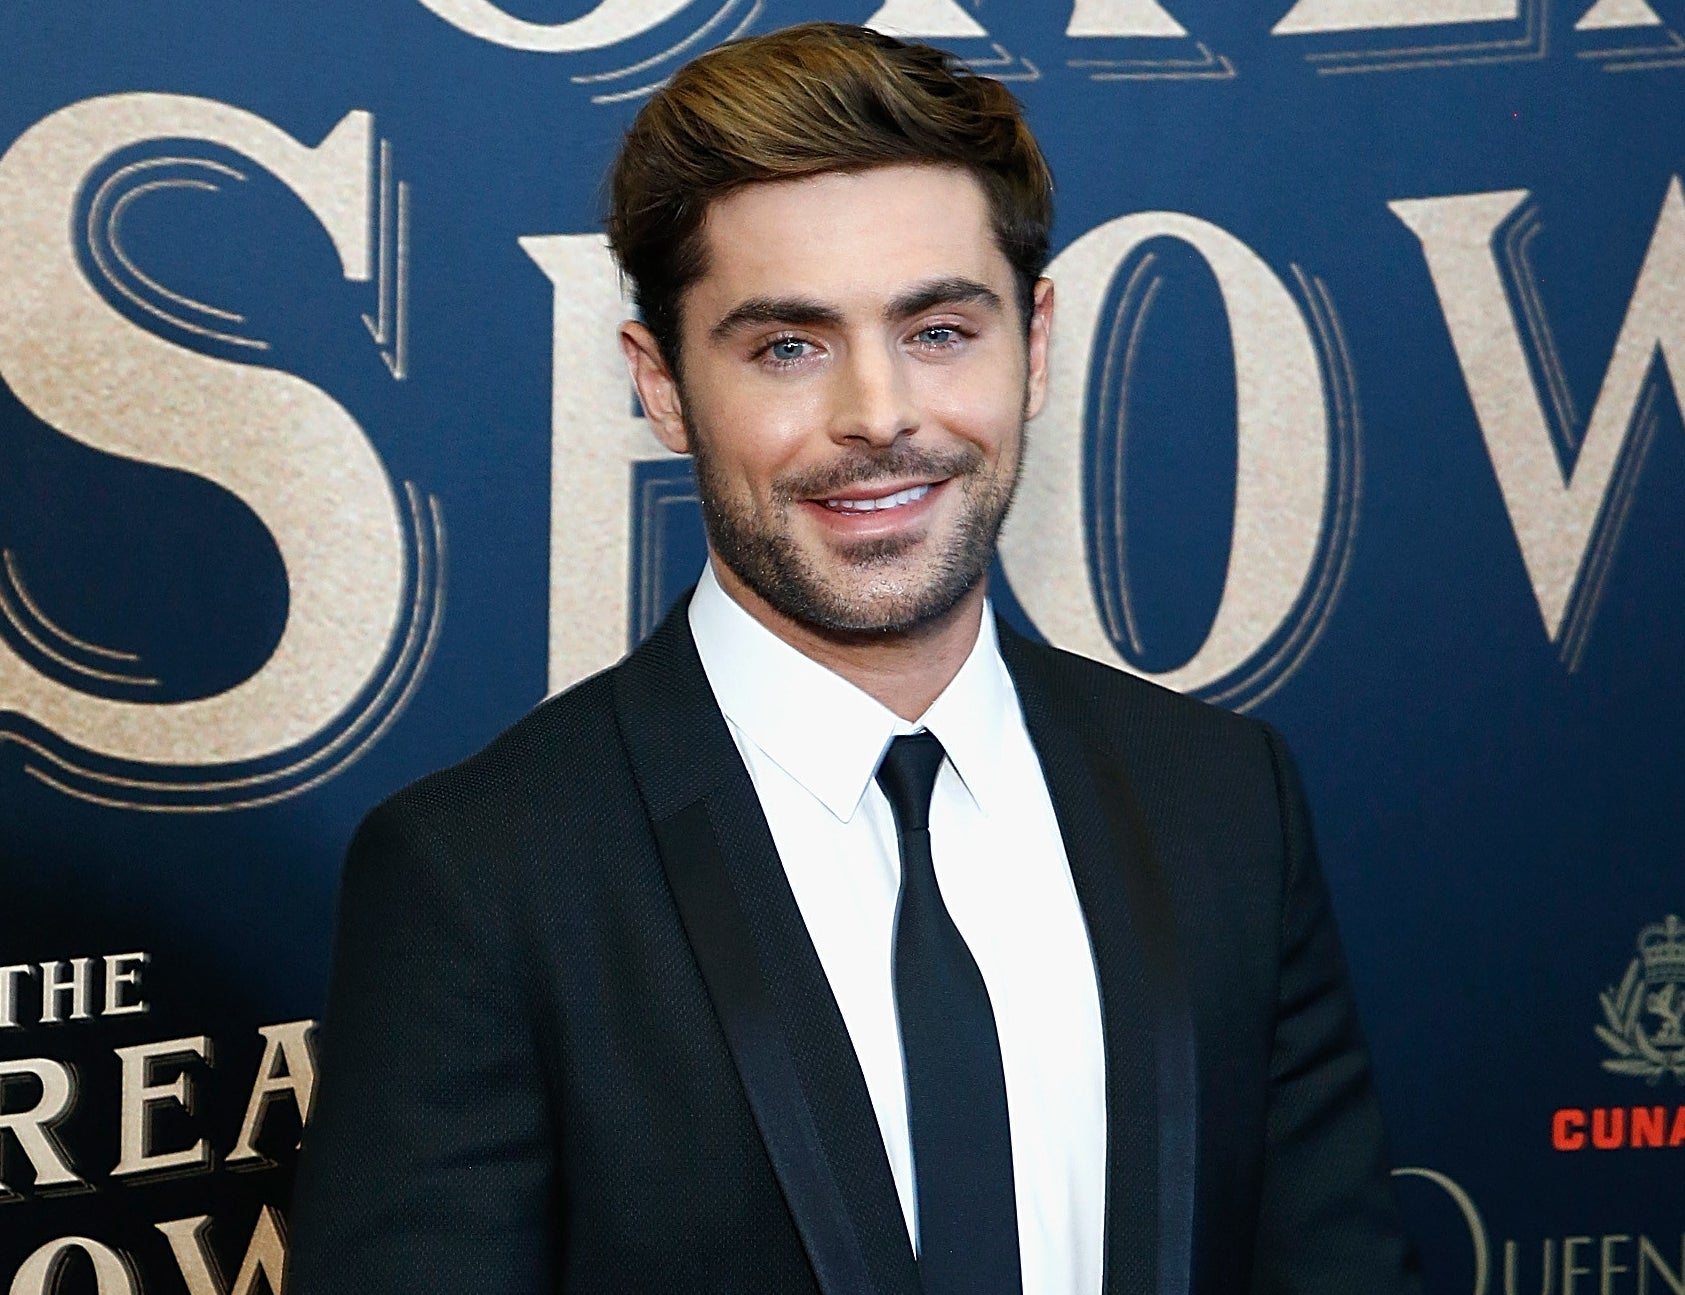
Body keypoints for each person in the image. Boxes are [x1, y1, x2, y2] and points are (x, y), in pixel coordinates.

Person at [287, 22, 1421, 1295]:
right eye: (787, 347)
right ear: (661, 386)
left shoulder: (1222, 799)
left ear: (1033, 344)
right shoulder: (482, 875)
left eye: (939, 330)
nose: (877, 415)